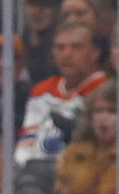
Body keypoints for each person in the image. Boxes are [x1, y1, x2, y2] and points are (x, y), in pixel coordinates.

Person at [15, 22, 109, 166]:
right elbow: (25, 145)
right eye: (60, 47)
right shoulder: (42, 91)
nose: (67, 54)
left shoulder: (107, 92)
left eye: (76, 47)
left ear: (95, 52)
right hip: (35, 175)